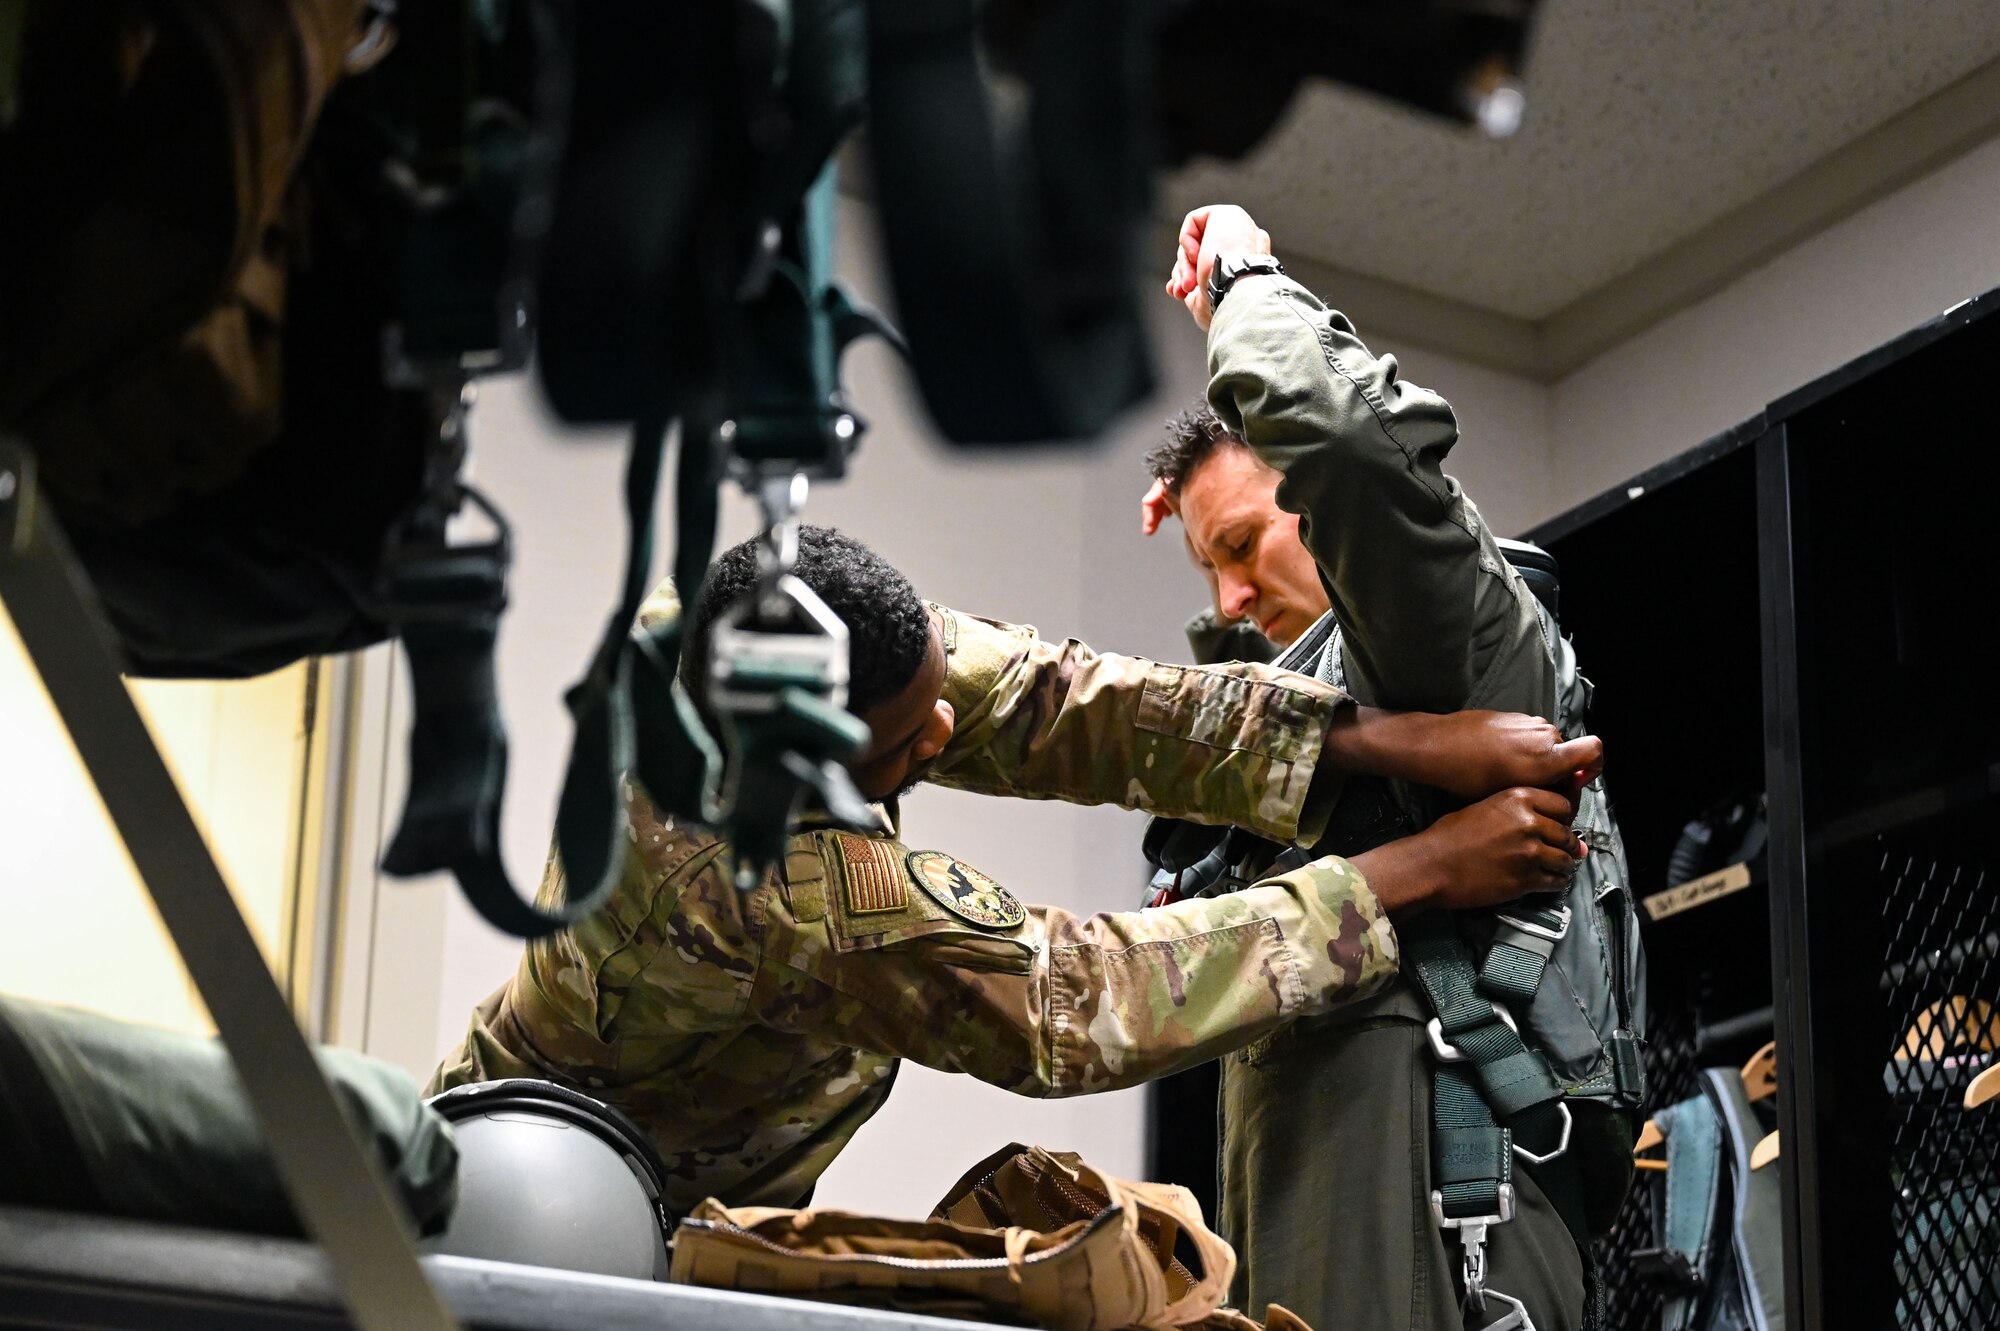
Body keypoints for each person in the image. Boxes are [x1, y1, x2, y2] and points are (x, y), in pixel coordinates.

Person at [430, 525, 1602, 1217]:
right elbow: (1076, 996)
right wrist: (1420, 870)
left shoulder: (738, 631)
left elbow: (1049, 700)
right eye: (906, 747)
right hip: (556, 1196)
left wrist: (1376, 738)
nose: (941, 734)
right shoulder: (764, 887)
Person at [1145, 205, 1645, 1331]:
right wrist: (1234, 640)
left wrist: (1243, 286)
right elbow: (1289, 747)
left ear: (1317, 516)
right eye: (1202, 563)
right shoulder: (1347, 689)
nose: (1224, 596)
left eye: (1239, 545)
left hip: (1441, 1216)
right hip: (1337, 1212)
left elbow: (1341, 438)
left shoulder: (1449, 638)